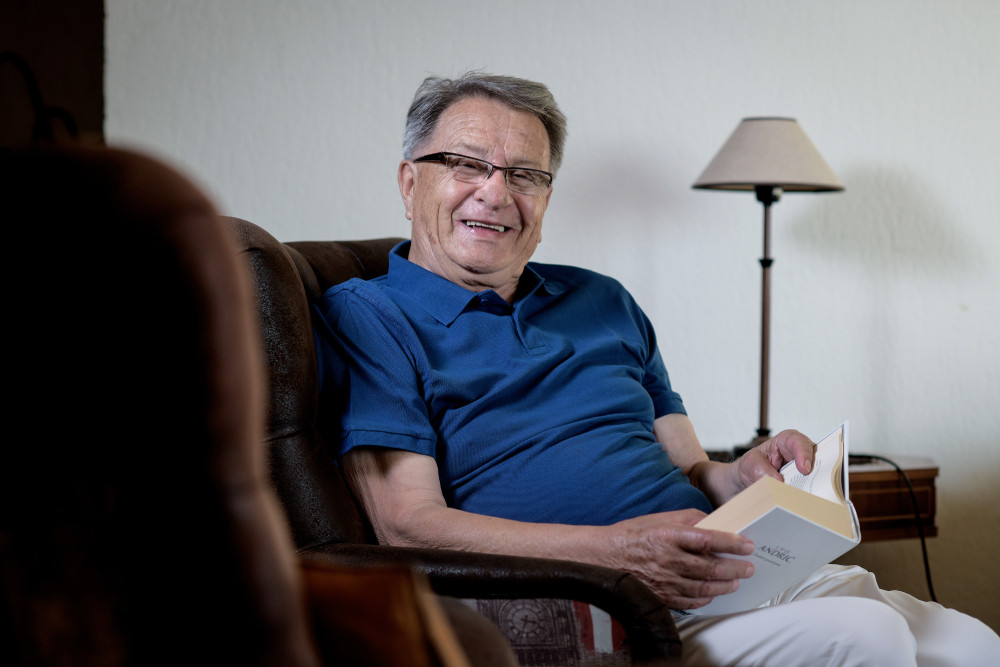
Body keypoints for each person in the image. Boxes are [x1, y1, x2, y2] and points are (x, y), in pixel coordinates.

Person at [314, 72, 1000, 665]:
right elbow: (408, 524)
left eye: (525, 174)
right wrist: (615, 551)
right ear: (410, 182)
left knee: (976, 647)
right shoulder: (370, 315)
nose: (495, 193)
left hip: (735, 568)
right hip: (619, 601)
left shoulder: (603, 299)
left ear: (545, 198)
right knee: (870, 636)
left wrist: (746, 474)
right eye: (467, 164)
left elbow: (693, 467)